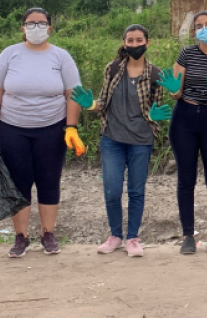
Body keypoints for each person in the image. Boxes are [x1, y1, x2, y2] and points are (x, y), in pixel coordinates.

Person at [0, 7, 86, 258]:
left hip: (52, 128)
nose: (36, 27)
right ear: (22, 28)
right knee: (18, 183)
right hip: (12, 129)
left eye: (41, 23)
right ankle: (21, 237)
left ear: (50, 28)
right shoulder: (9, 54)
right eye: (30, 23)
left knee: (49, 181)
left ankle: (48, 234)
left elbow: (73, 94)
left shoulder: (61, 57)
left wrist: (71, 127)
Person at [70, 24, 172, 258]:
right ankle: (115, 235)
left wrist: (152, 116)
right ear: (124, 42)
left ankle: (133, 238)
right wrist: (91, 104)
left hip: (141, 140)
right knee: (112, 190)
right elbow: (103, 102)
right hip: (112, 139)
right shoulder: (113, 69)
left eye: (139, 40)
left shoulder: (155, 74)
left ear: (148, 42)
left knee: (136, 191)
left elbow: (156, 108)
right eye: (130, 41)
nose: (134, 45)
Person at [156, 11, 207, 255]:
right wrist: (173, 90)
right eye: (199, 26)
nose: (204, 29)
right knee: (186, 179)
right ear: (194, 32)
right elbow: (176, 91)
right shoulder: (187, 54)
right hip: (185, 119)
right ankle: (187, 235)